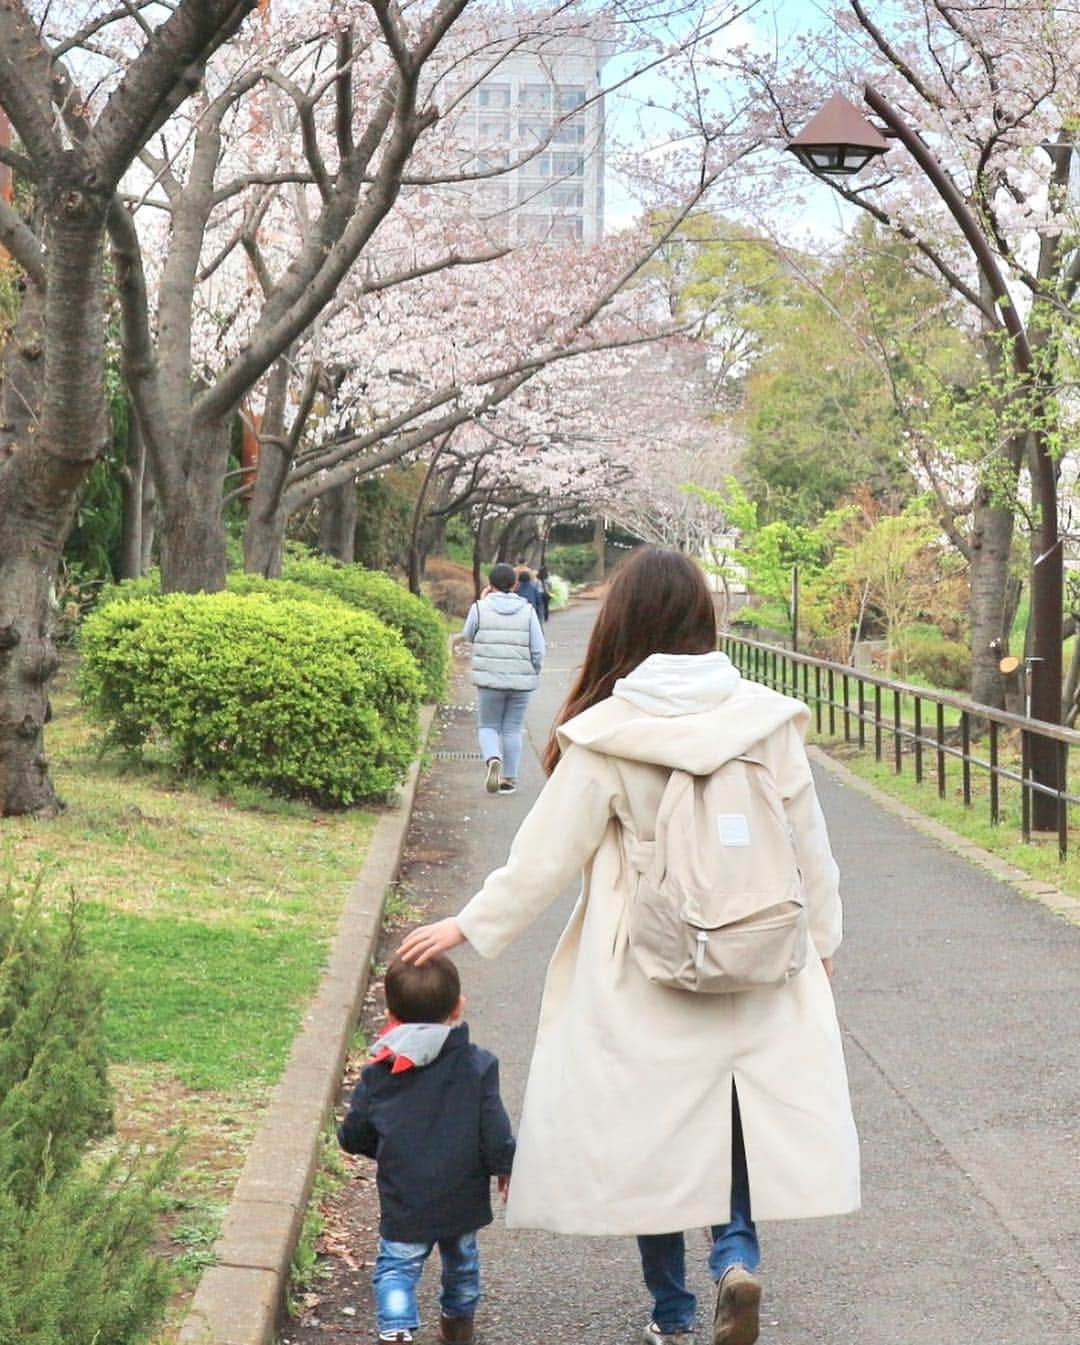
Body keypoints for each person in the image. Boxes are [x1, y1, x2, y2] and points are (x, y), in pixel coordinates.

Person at [399, 548, 860, 1345]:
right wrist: (821, 942)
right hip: (756, 957)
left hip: (644, 964)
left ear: (626, 624)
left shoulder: (608, 733)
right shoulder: (766, 718)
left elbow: (545, 855)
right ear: (701, 619)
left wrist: (468, 925)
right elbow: (808, 845)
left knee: (656, 1135)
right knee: (736, 1116)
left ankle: (674, 1313)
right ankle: (736, 1257)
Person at [338, 954, 515, 1345]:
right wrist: (505, 1164)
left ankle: (397, 1327)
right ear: (458, 1007)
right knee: (462, 1263)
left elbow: (356, 1133)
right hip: (461, 1195)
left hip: (406, 1196)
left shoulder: (379, 1073)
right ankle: (457, 1327)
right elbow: (494, 1127)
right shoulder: (479, 1065)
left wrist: (381, 1148)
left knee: (398, 1268)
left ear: (390, 1015)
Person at [461, 562, 545, 796]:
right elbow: (538, 649)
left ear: (490, 584)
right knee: (512, 729)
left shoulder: (479, 608)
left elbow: (467, 635)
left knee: (488, 726)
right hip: (521, 682)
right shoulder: (527, 611)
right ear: (515, 584)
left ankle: (492, 758)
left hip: (489, 680)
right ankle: (508, 779)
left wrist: (481, 601)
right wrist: (534, 671)